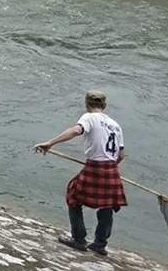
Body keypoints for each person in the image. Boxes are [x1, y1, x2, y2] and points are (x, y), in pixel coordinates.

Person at [34, 90, 127, 256]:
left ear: (86, 104)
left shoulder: (88, 117)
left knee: (73, 195)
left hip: (95, 166)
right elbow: (121, 155)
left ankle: (79, 239)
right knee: (107, 204)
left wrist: (51, 142)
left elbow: (76, 131)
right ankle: (100, 244)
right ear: (104, 106)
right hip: (112, 169)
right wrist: (110, 167)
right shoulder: (115, 125)